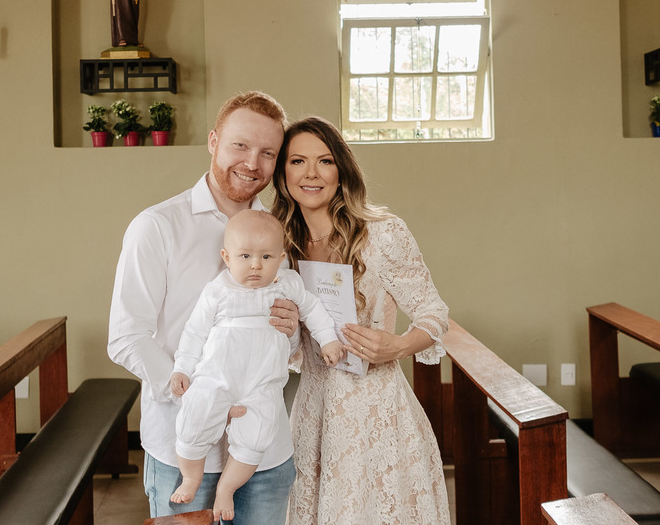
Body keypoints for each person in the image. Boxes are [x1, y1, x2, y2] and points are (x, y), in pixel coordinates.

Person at [108, 92, 301, 524]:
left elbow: (287, 340)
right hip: (184, 450)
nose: (253, 163)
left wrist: (293, 330)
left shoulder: (279, 233)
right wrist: (191, 392)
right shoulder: (157, 226)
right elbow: (126, 336)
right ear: (213, 141)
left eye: (268, 152)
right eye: (240, 145)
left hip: (265, 450)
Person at [271, 116, 449, 525]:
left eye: (325, 161)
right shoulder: (279, 244)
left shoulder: (383, 234)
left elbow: (435, 313)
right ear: (283, 174)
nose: (311, 174)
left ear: (342, 172)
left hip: (379, 414)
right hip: (313, 413)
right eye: (298, 161)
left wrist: (400, 345)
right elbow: (292, 348)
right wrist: (283, 330)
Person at [170, 210, 345, 523]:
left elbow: (313, 310)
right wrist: (182, 369)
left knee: (256, 437)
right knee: (193, 416)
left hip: (262, 383)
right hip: (215, 378)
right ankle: (191, 477)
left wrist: (328, 340)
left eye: (266, 256)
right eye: (245, 256)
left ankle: (227, 488)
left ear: (280, 257)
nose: (256, 265)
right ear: (227, 257)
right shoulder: (217, 291)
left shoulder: (287, 284)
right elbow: (193, 333)